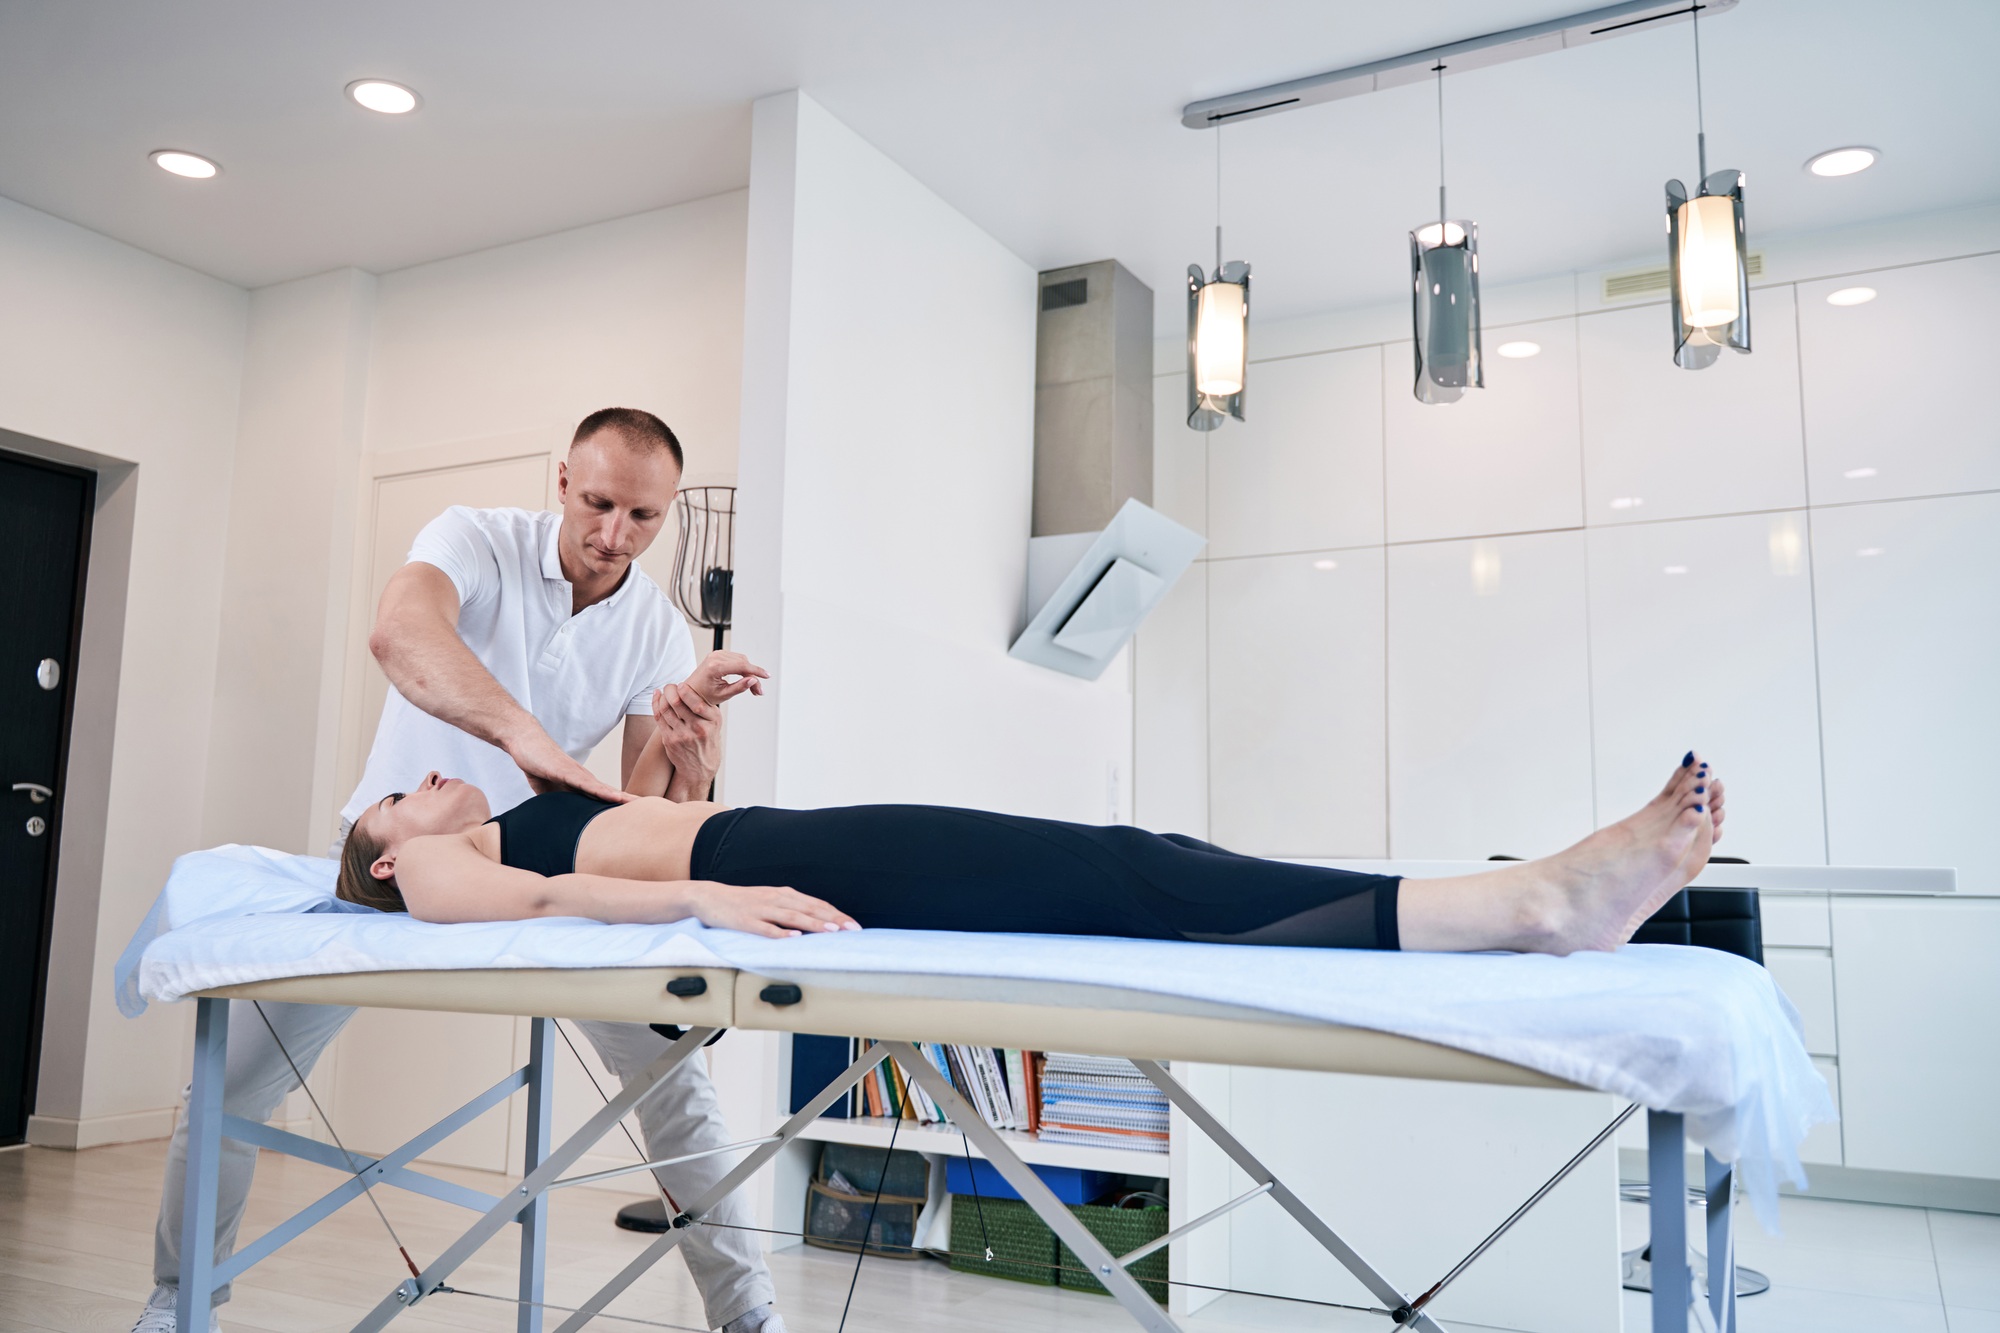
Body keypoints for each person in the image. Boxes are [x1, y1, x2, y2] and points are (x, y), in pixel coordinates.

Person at [134, 408, 789, 1333]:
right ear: (561, 480)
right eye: (598, 504)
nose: (613, 536)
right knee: (233, 1083)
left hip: (535, 873)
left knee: (676, 1082)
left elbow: (646, 815)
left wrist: (693, 754)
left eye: (643, 518)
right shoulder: (473, 539)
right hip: (390, 880)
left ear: (669, 512)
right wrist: (534, 747)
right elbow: (399, 632)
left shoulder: (655, 629)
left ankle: (749, 1312)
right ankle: (176, 1305)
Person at [338, 736, 1725, 958]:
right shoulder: (445, 870)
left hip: (798, 837)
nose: (427, 782)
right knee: (1129, 880)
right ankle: (1538, 903)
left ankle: (1531, 900)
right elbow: (500, 905)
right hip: (813, 861)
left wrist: (678, 750)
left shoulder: (527, 801)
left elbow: (609, 837)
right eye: (398, 798)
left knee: (1138, 862)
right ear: (386, 859)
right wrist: (711, 897)